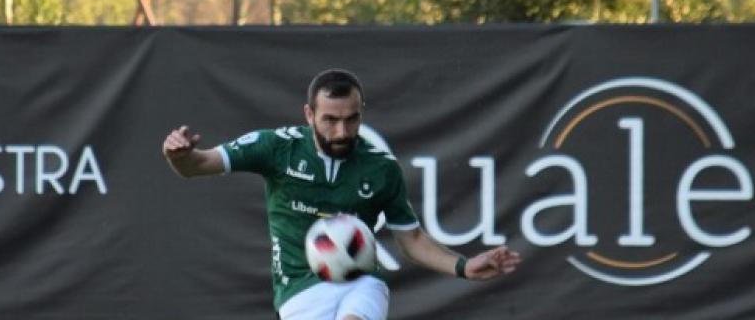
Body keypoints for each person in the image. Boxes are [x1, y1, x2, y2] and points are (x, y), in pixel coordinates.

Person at [162, 69, 521, 320]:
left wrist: (463, 267)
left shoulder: (380, 167)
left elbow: (410, 238)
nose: (341, 131)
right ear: (309, 114)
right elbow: (199, 164)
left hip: (361, 279)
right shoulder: (276, 148)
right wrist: (179, 155)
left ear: (361, 113)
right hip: (299, 288)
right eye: (330, 120)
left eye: (351, 119)